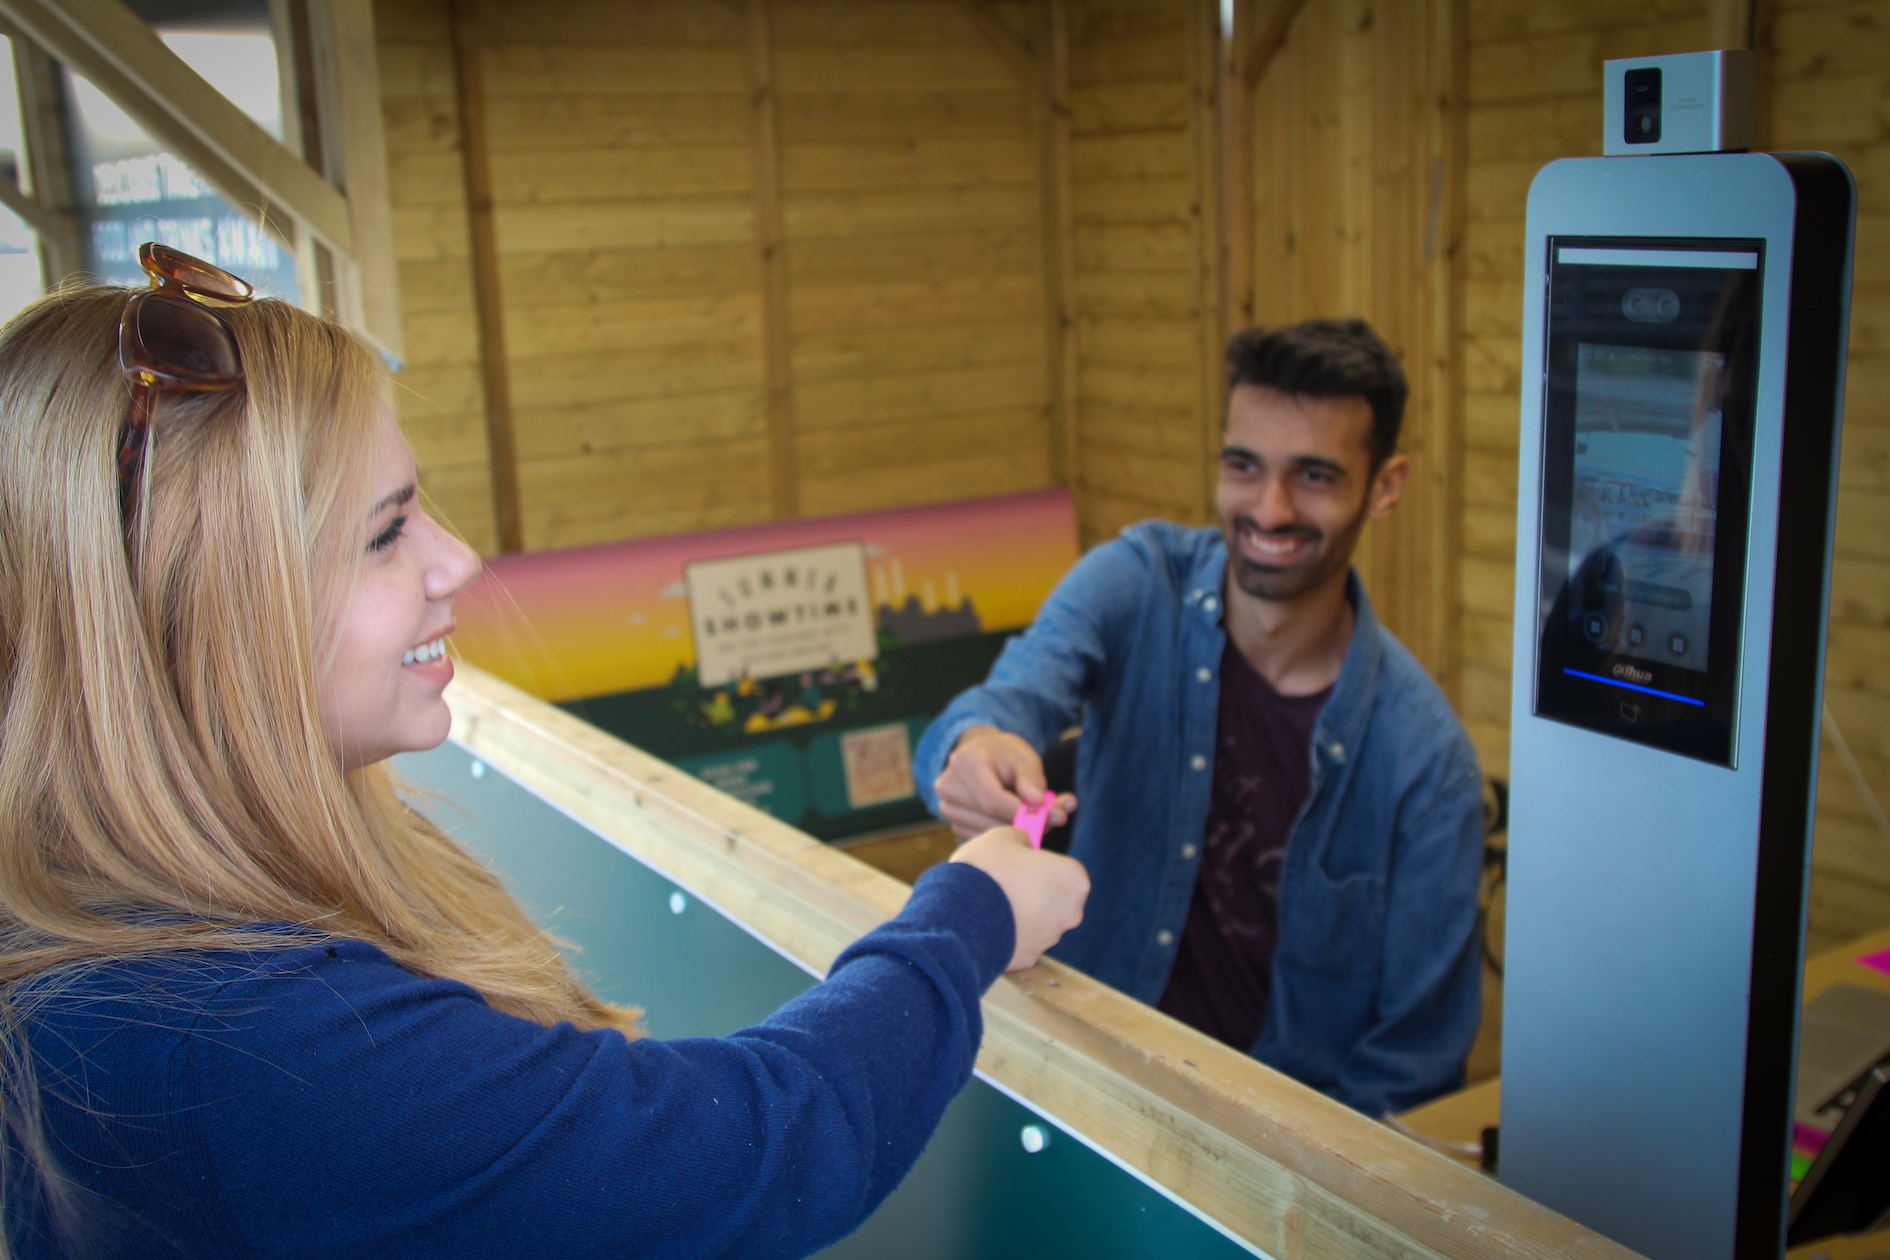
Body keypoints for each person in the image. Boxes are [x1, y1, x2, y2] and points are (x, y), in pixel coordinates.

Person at [0, 246, 1089, 1258]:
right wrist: (969, 911)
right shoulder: (253, 1048)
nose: (457, 558)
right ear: (203, 624)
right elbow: (764, 1143)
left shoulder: (92, 935)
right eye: (384, 534)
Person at [916, 319, 1484, 1118]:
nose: (1270, 507)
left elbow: (1407, 1078)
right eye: (1244, 466)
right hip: (1082, 1085)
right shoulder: (1136, 580)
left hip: (1272, 1162)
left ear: (1386, 486)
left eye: (1314, 475)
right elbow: (996, 706)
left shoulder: (1428, 769)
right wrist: (976, 746)